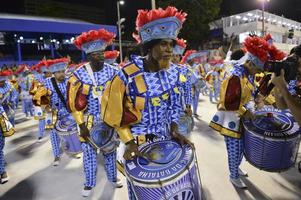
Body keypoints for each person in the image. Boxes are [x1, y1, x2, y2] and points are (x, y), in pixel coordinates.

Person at [101, 6, 193, 200]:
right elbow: (114, 115)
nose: (169, 50)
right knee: (140, 194)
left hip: (167, 141)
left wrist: (176, 131)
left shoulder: (176, 73)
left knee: (169, 191)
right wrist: (129, 142)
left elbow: (176, 107)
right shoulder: (126, 75)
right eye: (163, 44)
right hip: (137, 144)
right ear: (150, 46)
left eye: (171, 44)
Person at [209, 35, 285, 188]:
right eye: (257, 68)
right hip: (230, 120)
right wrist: (245, 111)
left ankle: (236, 168)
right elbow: (228, 102)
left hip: (242, 118)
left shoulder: (247, 74)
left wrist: (263, 97)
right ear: (250, 63)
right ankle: (233, 176)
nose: (257, 72)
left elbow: (255, 92)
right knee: (234, 149)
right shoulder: (235, 75)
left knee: (242, 147)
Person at [68, 28, 122, 197]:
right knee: (89, 155)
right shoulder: (78, 75)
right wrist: (81, 125)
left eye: (101, 53)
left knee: (110, 151)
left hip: (108, 121)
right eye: (95, 55)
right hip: (88, 121)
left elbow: (121, 96)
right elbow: (73, 103)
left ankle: (113, 178)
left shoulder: (114, 72)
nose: (99, 57)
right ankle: (89, 184)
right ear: (88, 56)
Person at [272, 45, 301, 126]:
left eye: (298, 64)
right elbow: (282, 106)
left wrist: (283, 88)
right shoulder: (297, 80)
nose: (296, 68)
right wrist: (277, 83)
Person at [0, 69, 16, 184]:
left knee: (1, 144)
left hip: (3, 114)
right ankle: (2, 170)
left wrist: (11, 102)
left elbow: (14, 94)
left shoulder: (9, 85)